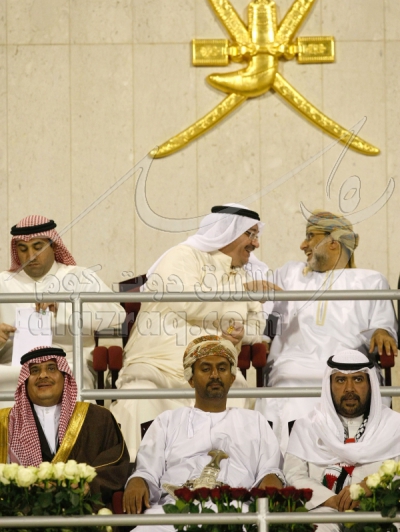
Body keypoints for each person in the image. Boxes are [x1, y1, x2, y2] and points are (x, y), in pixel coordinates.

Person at [111, 204, 270, 458]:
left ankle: (226, 475)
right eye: (250, 234)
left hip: (212, 368)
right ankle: (140, 473)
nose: (256, 243)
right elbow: (189, 303)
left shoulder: (241, 276)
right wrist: (242, 294)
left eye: (256, 235)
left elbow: (255, 325)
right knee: (139, 396)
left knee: (240, 393)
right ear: (227, 232)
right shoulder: (183, 256)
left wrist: (240, 333)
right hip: (159, 366)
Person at [255, 210, 397, 452]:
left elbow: (383, 324)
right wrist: (263, 336)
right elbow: (272, 316)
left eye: (310, 236)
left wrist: (382, 332)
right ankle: (291, 463)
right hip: (293, 365)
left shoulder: (371, 280)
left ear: (333, 242)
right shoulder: (289, 274)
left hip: (347, 366)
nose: (303, 245)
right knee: (289, 384)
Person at [123, 335, 284, 531]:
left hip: (235, 510)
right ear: (191, 379)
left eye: (222, 368)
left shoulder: (254, 421)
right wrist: (138, 480)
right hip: (174, 509)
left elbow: (270, 468)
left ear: (232, 378)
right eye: (206, 369)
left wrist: (271, 477)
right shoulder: (167, 421)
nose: (215, 375)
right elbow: (147, 469)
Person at [0, 215, 126, 406]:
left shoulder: (80, 277)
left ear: (53, 246)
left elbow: (116, 314)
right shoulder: (3, 283)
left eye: (38, 247)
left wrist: (64, 309)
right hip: (13, 367)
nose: (30, 256)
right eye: (23, 249)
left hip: (68, 363)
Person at [283, 349, 400, 532]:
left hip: (377, 509)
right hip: (324, 510)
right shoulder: (307, 426)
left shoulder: (394, 425)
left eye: (358, 379)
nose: (349, 389)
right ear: (329, 385)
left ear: (370, 384)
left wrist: (372, 488)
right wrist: (331, 500)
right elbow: (293, 475)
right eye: (340, 380)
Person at [0, 346, 130, 505]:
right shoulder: (5, 422)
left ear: (65, 377)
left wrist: (86, 485)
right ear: (25, 382)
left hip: (80, 508)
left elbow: (115, 464)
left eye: (51, 368)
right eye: (34, 370)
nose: (43, 375)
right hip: (22, 510)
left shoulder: (98, 417)